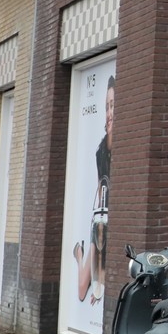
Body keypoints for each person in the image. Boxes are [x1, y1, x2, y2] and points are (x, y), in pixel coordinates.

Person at [72, 75, 114, 305]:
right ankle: (80, 257)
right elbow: (100, 189)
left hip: (110, 224)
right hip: (99, 222)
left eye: (113, 105)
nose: (109, 113)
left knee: (97, 288)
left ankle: (81, 256)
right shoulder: (100, 151)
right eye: (107, 106)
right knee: (81, 290)